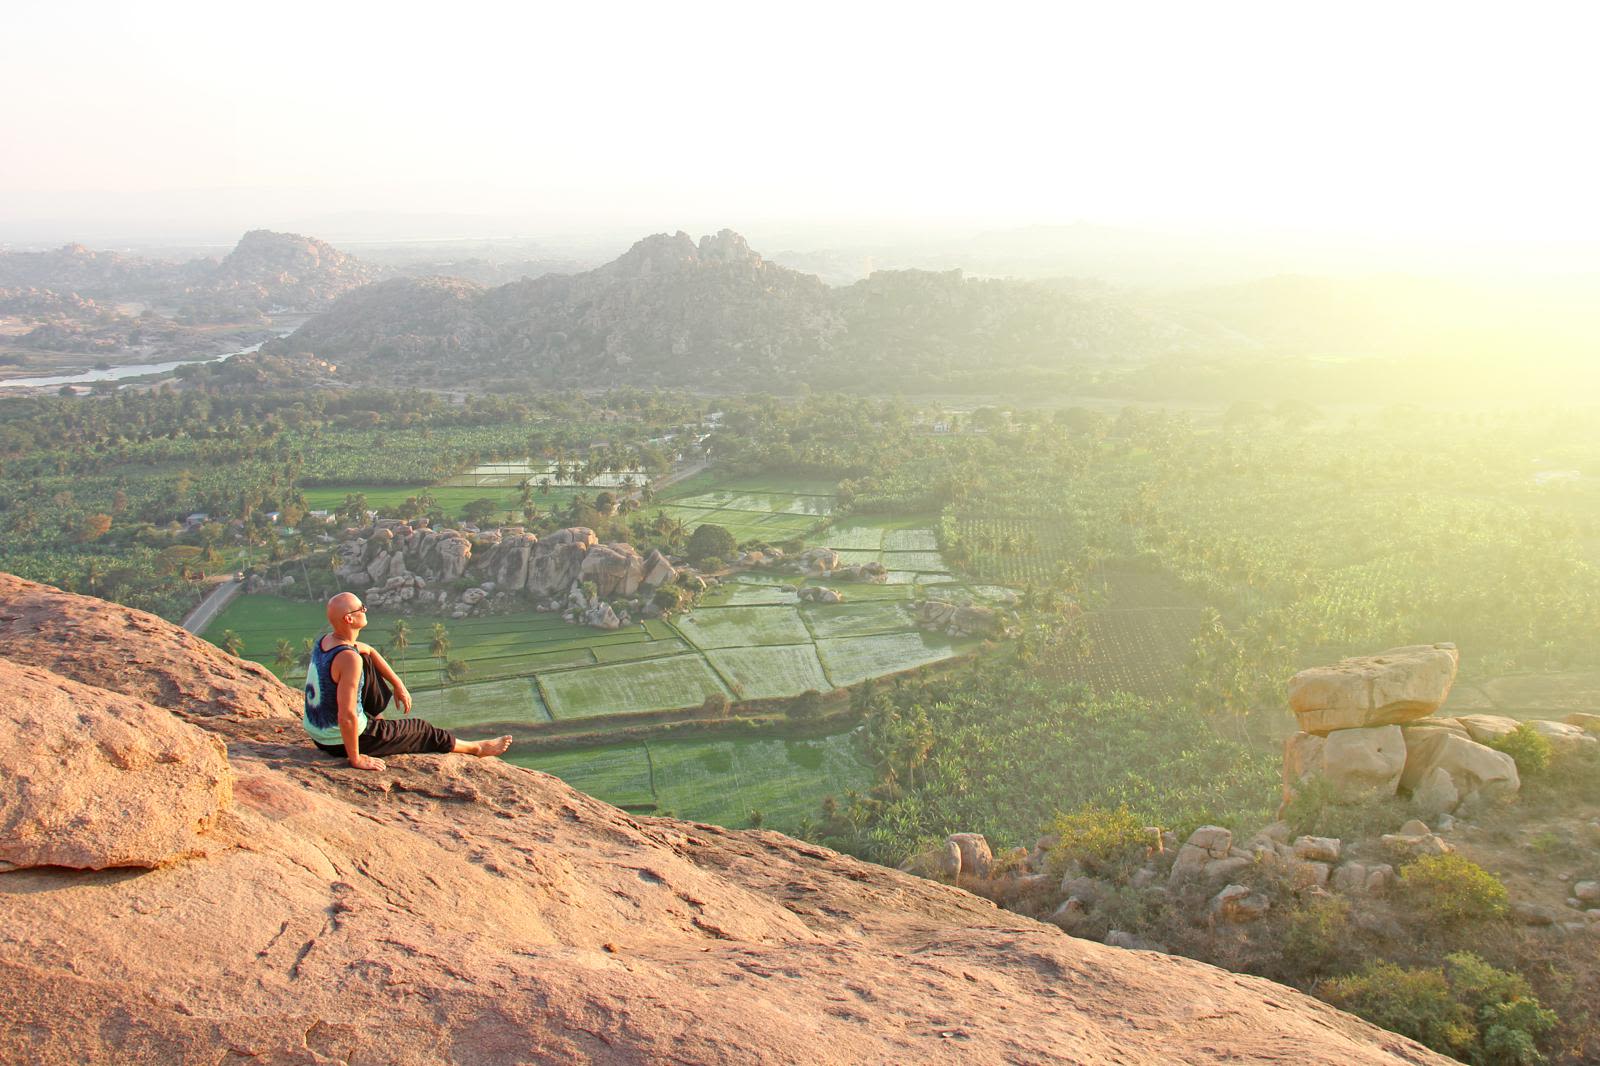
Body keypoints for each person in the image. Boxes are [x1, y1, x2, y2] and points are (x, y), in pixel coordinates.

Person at [304, 592, 512, 770]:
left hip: (319, 734)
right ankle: (477, 748)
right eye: (362, 608)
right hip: (342, 741)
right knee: (422, 729)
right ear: (349, 619)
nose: (365, 610)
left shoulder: (327, 641)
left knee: (366, 659)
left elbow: (369, 651)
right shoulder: (349, 659)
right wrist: (356, 758)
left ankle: (377, 719)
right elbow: (347, 715)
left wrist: (398, 685)